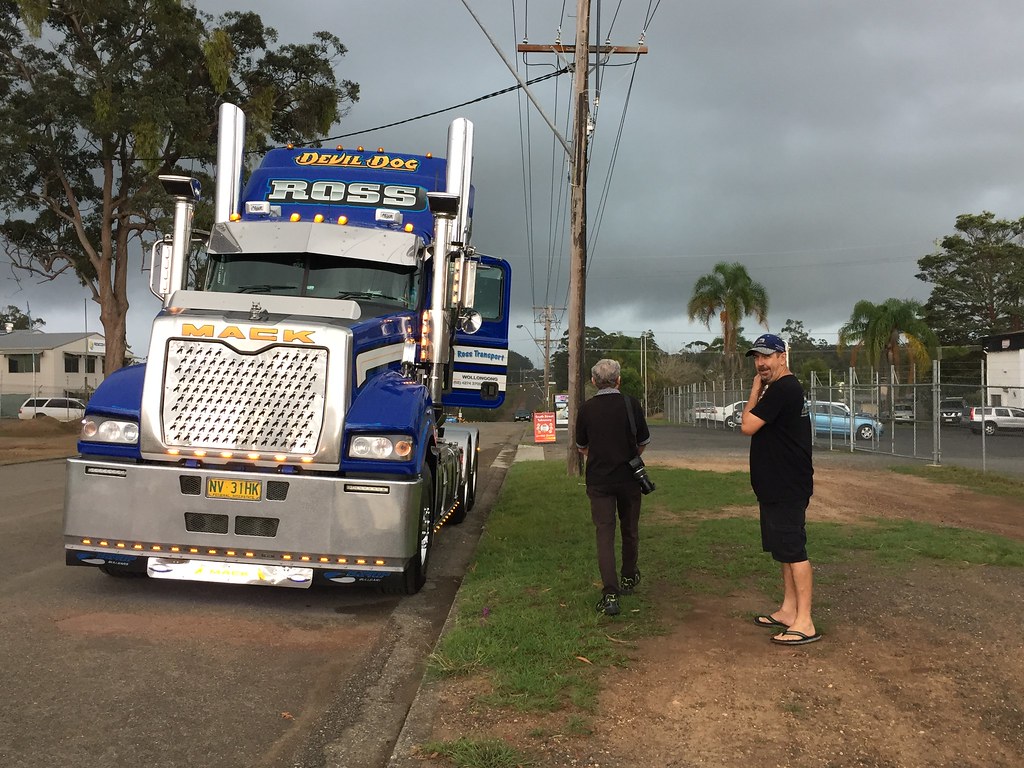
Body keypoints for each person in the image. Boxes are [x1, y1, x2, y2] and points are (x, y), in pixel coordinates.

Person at [739, 333, 821, 645]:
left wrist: (754, 389)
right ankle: (789, 610)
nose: (760, 363)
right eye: (756, 358)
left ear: (781, 357)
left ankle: (805, 621)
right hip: (775, 485)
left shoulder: (783, 388)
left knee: (794, 550)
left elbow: (747, 425)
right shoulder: (781, 388)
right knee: (784, 552)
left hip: (787, 486)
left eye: (766, 356)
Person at [575, 358, 651, 616]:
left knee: (604, 534)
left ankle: (609, 593)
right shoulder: (631, 405)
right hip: (629, 479)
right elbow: (642, 442)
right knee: (630, 529)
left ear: (594, 381)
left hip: (599, 481)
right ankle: (629, 576)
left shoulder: (586, 409)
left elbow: (582, 446)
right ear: (619, 380)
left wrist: (600, 456)